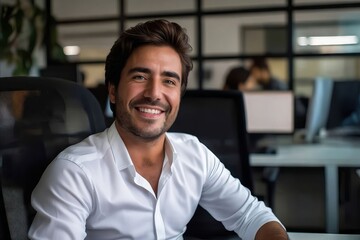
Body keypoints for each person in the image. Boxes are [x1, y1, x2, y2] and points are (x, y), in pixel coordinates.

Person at [28, 19, 288, 240]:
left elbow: (250, 215)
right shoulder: (75, 173)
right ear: (113, 90)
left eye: (169, 80)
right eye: (140, 77)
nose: (154, 94)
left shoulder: (195, 154)